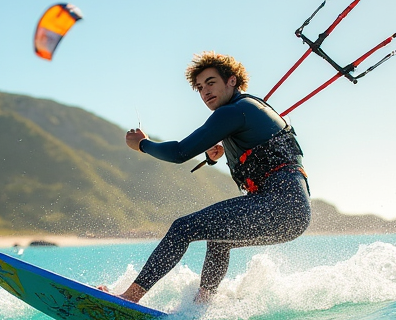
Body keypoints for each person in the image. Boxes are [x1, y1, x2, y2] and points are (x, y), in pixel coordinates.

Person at [118, 51, 312, 304]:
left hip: (279, 205)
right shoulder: (249, 107)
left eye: (211, 82)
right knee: (219, 240)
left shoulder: (233, 112)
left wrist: (142, 144)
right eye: (200, 88)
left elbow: (179, 153)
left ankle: (130, 297)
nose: (205, 92)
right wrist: (215, 157)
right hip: (294, 214)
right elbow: (260, 152)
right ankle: (202, 304)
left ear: (231, 81)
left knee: (183, 228)